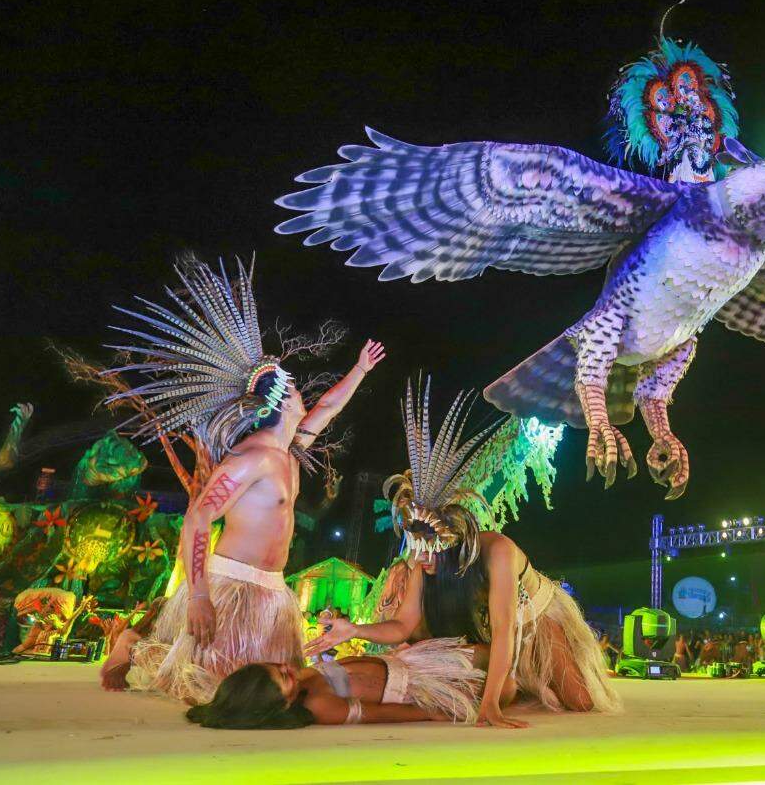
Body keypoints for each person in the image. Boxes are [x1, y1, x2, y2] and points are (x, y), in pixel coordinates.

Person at [96, 256, 386, 703]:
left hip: (272, 592)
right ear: (277, 402)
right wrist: (197, 597)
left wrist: (361, 370)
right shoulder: (253, 458)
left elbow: (328, 408)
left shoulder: (289, 454)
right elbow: (197, 519)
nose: (300, 394)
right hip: (232, 585)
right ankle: (134, 647)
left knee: (281, 690)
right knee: (212, 689)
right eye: (292, 389)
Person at [303, 379, 621, 727]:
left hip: (534, 619)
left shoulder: (497, 551)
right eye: (416, 550)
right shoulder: (420, 560)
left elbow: (505, 632)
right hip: (494, 628)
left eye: (429, 552)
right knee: (508, 685)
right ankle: (515, 685)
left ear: (450, 541)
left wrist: (490, 707)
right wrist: (353, 631)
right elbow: (402, 625)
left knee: (580, 701)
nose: (421, 560)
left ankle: (526, 682)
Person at [186, 637, 489, 728]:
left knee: (489, 654)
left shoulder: (303, 676)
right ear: (284, 703)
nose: (284, 666)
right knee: (507, 689)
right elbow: (376, 714)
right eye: (282, 677)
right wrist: (428, 712)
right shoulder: (319, 706)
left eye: (273, 666)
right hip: (419, 686)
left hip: (413, 662)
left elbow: (348, 668)